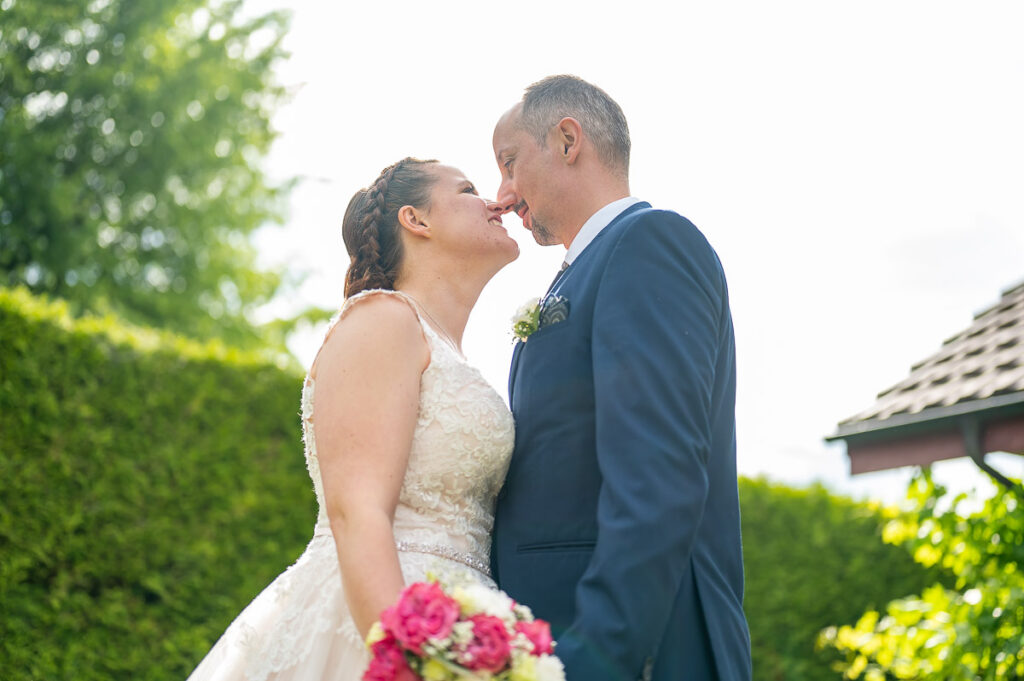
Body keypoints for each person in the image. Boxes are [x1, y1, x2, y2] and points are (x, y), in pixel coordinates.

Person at [187, 158, 520, 681]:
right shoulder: (384, 319)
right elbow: (357, 512)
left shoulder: (450, 352)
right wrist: (406, 657)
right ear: (417, 220)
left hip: (469, 623)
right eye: (469, 189)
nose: (496, 200)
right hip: (380, 614)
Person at [489, 75, 752, 681]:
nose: (502, 195)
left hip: (637, 650)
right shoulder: (579, 274)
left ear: (567, 140)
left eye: (509, 164)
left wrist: (599, 657)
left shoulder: (650, 243)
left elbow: (657, 476)